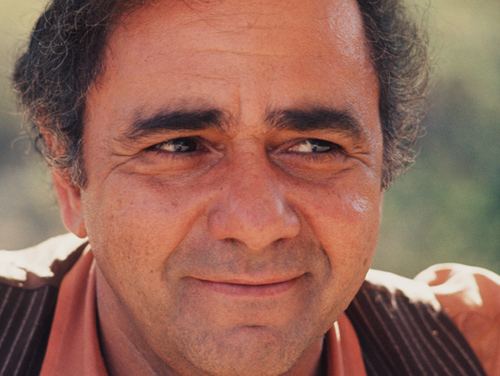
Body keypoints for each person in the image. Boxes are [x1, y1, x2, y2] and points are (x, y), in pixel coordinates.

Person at [0, 0, 498, 375]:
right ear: (68, 175)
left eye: (314, 147)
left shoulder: (475, 351)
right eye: (180, 146)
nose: (258, 225)